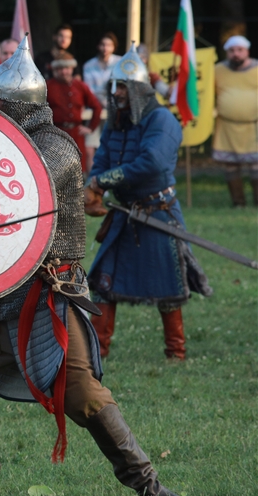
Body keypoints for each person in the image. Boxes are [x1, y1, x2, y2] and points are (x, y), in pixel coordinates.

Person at [0, 36, 185, 496]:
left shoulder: (54, 148)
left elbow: (10, 190)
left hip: (47, 295)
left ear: (18, 107)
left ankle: (150, 486)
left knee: (83, 396)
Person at [86, 44, 212, 360]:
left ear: (140, 89)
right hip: (123, 216)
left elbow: (151, 164)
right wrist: (93, 185)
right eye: (114, 87)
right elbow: (101, 159)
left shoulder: (162, 121)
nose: (117, 94)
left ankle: (176, 353)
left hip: (158, 213)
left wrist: (103, 182)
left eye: (123, 88)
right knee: (102, 283)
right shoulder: (115, 122)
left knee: (169, 286)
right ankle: (96, 353)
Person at [212, 35, 257, 207]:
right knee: (231, 166)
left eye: (240, 50)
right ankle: (238, 203)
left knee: (256, 167)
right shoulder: (217, 70)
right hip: (227, 126)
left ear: (247, 51)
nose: (236, 54)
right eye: (232, 51)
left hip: (254, 126)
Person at [45, 51, 102, 171]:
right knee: (56, 170)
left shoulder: (80, 86)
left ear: (72, 68)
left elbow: (96, 106)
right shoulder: (47, 86)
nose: (64, 71)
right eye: (60, 68)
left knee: (77, 171)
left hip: (77, 135)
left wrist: (90, 128)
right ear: (55, 69)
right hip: (56, 135)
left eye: (66, 68)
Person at [81, 32, 120, 173]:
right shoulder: (89, 65)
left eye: (109, 45)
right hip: (94, 109)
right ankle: (91, 180)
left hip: (114, 109)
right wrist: (103, 101)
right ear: (98, 46)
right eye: (103, 44)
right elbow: (90, 91)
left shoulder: (120, 63)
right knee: (90, 147)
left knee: (111, 146)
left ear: (114, 47)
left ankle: (108, 179)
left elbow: (119, 87)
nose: (105, 48)